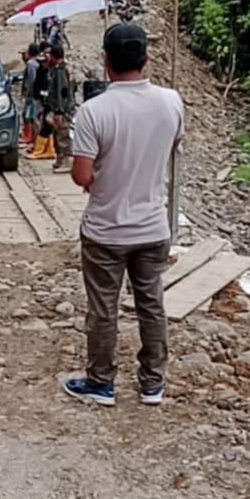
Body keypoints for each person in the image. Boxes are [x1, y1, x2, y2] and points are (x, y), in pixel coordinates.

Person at [63, 23, 184, 408]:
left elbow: (82, 175)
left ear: (106, 62)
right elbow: (173, 145)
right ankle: (153, 383)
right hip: (153, 227)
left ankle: (102, 382)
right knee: (152, 304)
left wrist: (103, 176)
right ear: (146, 59)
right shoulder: (171, 102)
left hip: (105, 231)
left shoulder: (93, 111)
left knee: (104, 309)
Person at [47, 43, 74, 173]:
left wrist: (59, 110)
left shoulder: (60, 71)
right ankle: (61, 158)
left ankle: (68, 160)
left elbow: (61, 92)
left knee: (63, 134)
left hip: (61, 109)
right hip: (59, 108)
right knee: (57, 135)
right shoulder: (58, 69)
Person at [26, 43, 56, 160]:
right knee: (44, 125)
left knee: (44, 126)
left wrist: (44, 96)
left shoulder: (52, 72)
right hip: (42, 99)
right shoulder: (42, 70)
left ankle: (42, 149)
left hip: (47, 101)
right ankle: (47, 149)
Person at [20, 43, 40, 147]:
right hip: (34, 94)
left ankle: (29, 137)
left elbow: (32, 79)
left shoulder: (31, 64)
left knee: (28, 115)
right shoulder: (37, 62)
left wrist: (29, 93)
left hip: (31, 95)